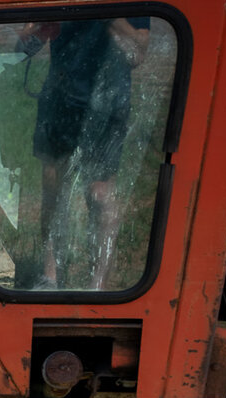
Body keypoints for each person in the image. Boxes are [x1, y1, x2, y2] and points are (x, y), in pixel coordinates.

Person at [28, 17, 150, 289]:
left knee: (100, 194)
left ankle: (97, 287)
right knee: (54, 186)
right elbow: (25, 44)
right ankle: (49, 278)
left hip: (109, 102)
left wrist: (109, 14)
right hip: (60, 100)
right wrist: (39, 26)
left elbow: (138, 53)